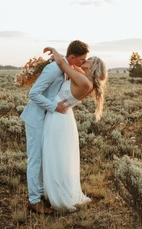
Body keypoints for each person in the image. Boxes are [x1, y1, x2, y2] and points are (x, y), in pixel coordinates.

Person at [20, 40, 90, 214]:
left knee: (45, 157)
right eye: (81, 60)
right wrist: (54, 107)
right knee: (36, 158)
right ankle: (33, 201)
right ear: (72, 57)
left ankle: (42, 192)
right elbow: (33, 94)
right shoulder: (53, 69)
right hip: (36, 118)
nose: (82, 64)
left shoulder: (66, 69)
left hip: (48, 120)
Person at [41, 46, 107, 212]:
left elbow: (64, 66)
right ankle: (54, 191)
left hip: (58, 117)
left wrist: (56, 52)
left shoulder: (84, 82)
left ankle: (58, 196)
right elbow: (71, 65)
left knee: (56, 156)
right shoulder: (86, 79)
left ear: (93, 67)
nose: (85, 61)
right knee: (58, 155)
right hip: (62, 116)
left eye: (88, 60)